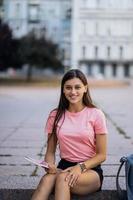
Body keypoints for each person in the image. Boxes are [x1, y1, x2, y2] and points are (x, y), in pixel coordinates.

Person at [31, 69, 108, 200]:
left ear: (85, 88)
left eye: (77, 87)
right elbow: (50, 151)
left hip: (90, 169)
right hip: (63, 167)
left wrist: (80, 167)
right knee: (46, 180)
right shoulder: (55, 115)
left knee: (63, 179)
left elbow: (102, 155)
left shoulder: (96, 114)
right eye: (68, 88)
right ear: (63, 90)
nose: (73, 92)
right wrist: (49, 165)